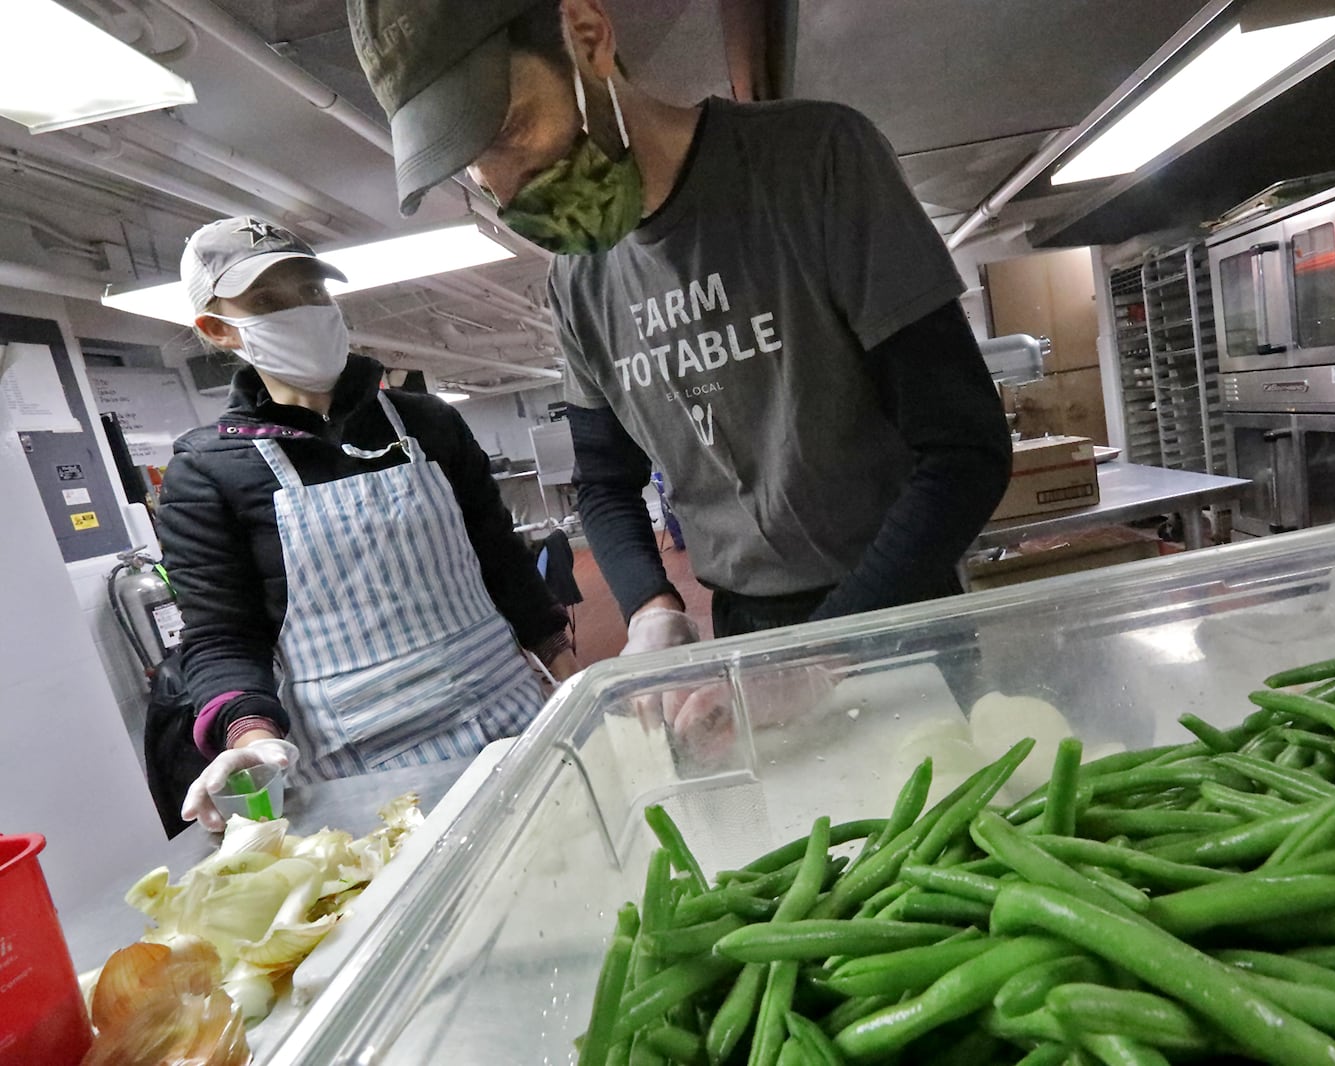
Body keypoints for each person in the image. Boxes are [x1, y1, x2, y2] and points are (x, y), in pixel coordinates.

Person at [348, 0, 1010, 652]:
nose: (509, 189)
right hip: (745, 624)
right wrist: (649, 606)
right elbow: (605, 484)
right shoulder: (578, 283)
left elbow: (965, 450)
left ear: (587, 33)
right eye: (473, 167)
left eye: (510, 129)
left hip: (899, 605)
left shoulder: (816, 162)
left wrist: (827, 653)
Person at [158, 217, 578, 830]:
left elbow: (498, 556)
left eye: (311, 292)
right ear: (219, 329)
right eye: (268, 302)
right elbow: (223, 634)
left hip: (508, 715)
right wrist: (247, 732)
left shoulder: (428, 423)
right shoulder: (208, 473)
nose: (302, 310)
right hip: (366, 766)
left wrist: (564, 664)